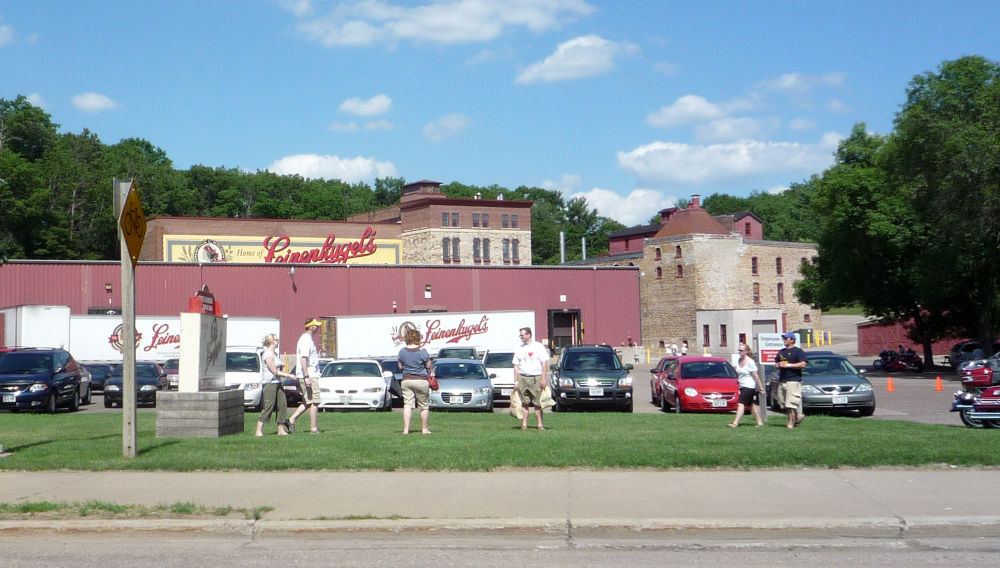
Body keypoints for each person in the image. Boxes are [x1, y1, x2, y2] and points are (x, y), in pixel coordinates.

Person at [255, 333, 295, 437]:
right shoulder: (267, 354)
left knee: (282, 404)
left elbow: (278, 369)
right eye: (276, 340)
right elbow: (274, 371)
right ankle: (258, 430)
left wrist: (282, 365)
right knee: (269, 406)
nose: (278, 342)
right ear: (272, 342)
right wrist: (289, 375)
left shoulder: (275, 354)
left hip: (277, 382)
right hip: (269, 384)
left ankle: (280, 429)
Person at [288, 318, 322, 434]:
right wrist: (307, 376)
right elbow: (303, 359)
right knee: (314, 401)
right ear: (311, 326)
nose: (318, 328)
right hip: (309, 375)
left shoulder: (308, 339)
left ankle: (291, 419)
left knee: (308, 402)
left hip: (309, 374)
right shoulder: (306, 340)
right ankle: (313, 428)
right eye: (316, 326)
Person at [512, 327, 550, 430]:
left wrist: (543, 379)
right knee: (524, 403)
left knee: (537, 403)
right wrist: (515, 381)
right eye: (520, 335)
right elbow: (516, 365)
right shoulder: (519, 348)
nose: (521, 337)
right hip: (523, 377)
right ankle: (524, 425)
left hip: (536, 378)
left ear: (529, 335)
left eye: (522, 335)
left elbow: (544, 363)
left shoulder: (538, 346)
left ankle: (540, 425)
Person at [397, 328, 433, 435]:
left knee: (407, 404)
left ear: (407, 339)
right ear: (418, 338)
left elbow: (400, 366)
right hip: (421, 380)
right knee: (424, 405)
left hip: (407, 380)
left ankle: (406, 430)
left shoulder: (402, 352)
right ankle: (424, 429)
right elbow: (428, 365)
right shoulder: (423, 351)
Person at [775, 332, 807, 428]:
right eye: (784, 338)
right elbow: (777, 363)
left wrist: (788, 365)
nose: (784, 340)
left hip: (793, 380)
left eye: (786, 338)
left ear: (792, 340)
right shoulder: (781, 352)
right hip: (782, 380)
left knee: (790, 404)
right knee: (782, 402)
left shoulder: (798, 351)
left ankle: (790, 422)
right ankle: (798, 416)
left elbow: (803, 364)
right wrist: (777, 365)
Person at [728, 343, 764, 428]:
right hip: (742, 386)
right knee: (751, 405)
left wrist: (761, 388)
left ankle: (735, 423)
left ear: (746, 351)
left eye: (741, 350)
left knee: (741, 404)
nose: (739, 352)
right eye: (739, 350)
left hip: (749, 386)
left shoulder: (750, 362)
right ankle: (759, 422)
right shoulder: (739, 360)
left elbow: (756, 376)